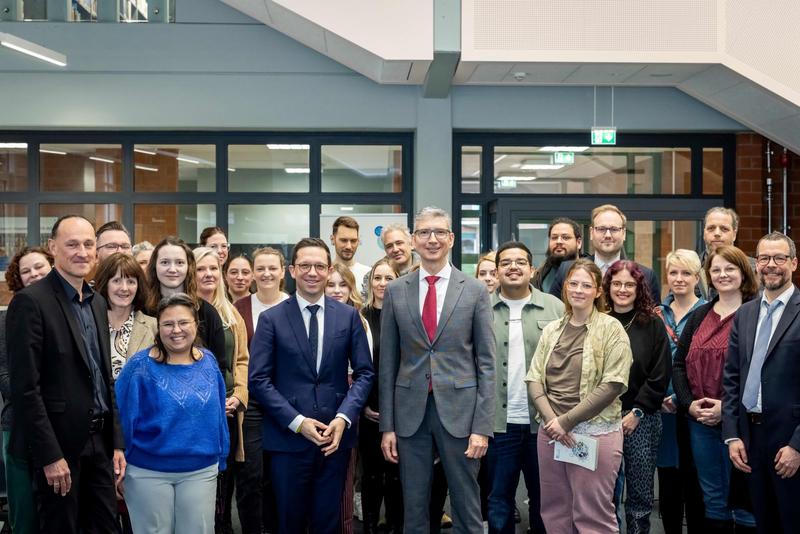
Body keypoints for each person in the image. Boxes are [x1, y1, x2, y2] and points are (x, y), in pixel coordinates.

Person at [379, 206, 495, 534]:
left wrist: (482, 427)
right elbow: (387, 364)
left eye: (440, 233)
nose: (432, 239)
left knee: (466, 505)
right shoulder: (396, 290)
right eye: (425, 233)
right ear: (414, 240)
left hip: (461, 414)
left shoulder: (474, 290)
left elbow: (486, 364)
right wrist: (387, 426)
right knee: (413, 506)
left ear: (452, 239)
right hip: (409, 414)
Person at [7, 215, 126, 534]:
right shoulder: (29, 303)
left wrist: (116, 443)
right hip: (59, 450)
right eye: (72, 244)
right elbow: (25, 389)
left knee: (105, 527)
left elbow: (104, 379)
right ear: (53, 247)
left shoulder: (98, 302)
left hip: (99, 446)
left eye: (89, 244)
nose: (82, 252)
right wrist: (49, 456)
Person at [249, 237, 374, 534]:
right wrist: (297, 422)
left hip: (335, 439)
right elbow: (258, 380)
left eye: (319, 266)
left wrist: (344, 418)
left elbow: (365, 373)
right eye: (305, 265)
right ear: (292, 270)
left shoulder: (348, 316)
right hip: (287, 440)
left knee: (328, 522)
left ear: (329, 269)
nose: (312, 272)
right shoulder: (271, 320)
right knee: (289, 522)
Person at [526, 259, 632, 533]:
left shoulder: (611, 329)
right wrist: (554, 422)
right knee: (554, 511)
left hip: (593, 434)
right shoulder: (551, 330)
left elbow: (613, 384)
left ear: (598, 291)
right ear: (565, 288)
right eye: (573, 283)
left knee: (592, 516)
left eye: (587, 285)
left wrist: (567, 422)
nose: (578, 290)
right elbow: (534, 378)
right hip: (551, 433)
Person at [116, 292, 230, 534]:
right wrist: (117, 464)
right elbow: (122, 417)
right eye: (168, 324)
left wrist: (222, 456)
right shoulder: (139, 367)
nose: (176, 330)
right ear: (159, 327)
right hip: (147, 471)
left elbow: (218, 415)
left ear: (196, 325)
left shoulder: (208, 362)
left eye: (183, 322)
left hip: (201, 470)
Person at [672, 245, 759, 532]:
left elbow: (760, 371)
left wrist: (728, 408)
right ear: (708, 275)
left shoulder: (757, 314)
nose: (723, 274)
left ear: (744, 273)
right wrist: (688, 404)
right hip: (700, 423)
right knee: (713, 500)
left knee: (747, 502)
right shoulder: (700, 316)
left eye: (730, 268)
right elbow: (679, 365)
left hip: (742, 424)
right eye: (716, 269)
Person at [723, 232, 800, 534]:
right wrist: (731, 435)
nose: (771, 265)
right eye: (764, 258)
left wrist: (797, 445)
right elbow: (731, 379)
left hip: (789, 443)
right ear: (756, 265)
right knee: (762, 523)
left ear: (793, 263)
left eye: (779, 258)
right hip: (750, 440)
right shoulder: (745, 313)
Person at [487, 241, 564, 534]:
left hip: (543, 424)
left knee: (545, 501)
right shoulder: (481, 308)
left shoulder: (555, 307)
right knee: (498, 501)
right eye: (506, 262)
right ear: (496, 271)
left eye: (520, 262)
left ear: (532, 269)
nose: (513, 267)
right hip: (497, 424)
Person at [605, 260, 671, 534]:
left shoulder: (653, 323)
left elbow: (660, 373)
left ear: (639, 287)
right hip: (600, 418)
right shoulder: (597, 320)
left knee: (641, 497)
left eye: (629, 284)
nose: (622, 289)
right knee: (603, 494)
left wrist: (637, 412)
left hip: (641, 420)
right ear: (607, 287)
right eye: (616, 283)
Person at [233, 246, 289, 534]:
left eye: (272, 268)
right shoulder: (238, 308)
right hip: (253, 404)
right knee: (251, 475)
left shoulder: (295, 305)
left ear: (283, 272)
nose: (266, 273)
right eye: (260, 268)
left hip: (289, 404)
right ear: (252, 273)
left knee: (283, 477)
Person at [194, 247, 250, 534]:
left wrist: (239, 396)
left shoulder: (232, 314)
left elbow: (241, 361)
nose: (208, 274)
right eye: (201, 268)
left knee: (225, 481)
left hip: (228, 408)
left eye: (214, 268)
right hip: (194, 410)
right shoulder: (182, 310)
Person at [1, 246, 53, 534]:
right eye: (26, 270)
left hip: (58, 425)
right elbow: (6, 376)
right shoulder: (6, 319)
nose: (34, 274)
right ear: (17, 279)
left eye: (39, 267)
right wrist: (40, 391)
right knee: (24, 512)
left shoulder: (67, 311)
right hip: (17, 425)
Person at [656, 249, 707, 534]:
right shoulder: (656, 314)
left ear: (697, 277)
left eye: (686, 273)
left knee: (695, 484)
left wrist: (681, 398)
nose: (679, 278)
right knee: (668, 484)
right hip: (661, 410)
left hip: (694, 409)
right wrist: (658, 398)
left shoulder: (709, 312)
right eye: (673, 272)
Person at [325, 263, 370, 534]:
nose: (336, 290)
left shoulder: (357, 319)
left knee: (345, 472)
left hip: (349, 398)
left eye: (343, 285)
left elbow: (364, 370)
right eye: (331, 284)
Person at [359, 258, 402, 533]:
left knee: (397, 475)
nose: (382, 284)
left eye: (389, 278)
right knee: (371, 477)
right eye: (377, 278)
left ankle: (397, 525)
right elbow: (355, 365)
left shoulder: (405, 316)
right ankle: (372, 526)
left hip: (400, 411)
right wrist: (362, 405)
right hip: (368, 409)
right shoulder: (359, 317)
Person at [144, 236, 226, 378]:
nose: (172, 269)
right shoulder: (142, 310)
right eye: (164, 262)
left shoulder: (206, 312)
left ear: (189, 266)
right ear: (154, 266)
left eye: (180, 262)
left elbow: (219, 368)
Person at [549, 204, 660, 305]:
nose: (607, 235)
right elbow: (553, 312)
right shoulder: (566, 270)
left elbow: (653, 320)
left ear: (624, 233)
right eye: (601, 229)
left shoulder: (646, 276)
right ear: (592, 233)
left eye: (614, 229)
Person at [94, 253, 157, 380]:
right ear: (105, 283)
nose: (124, 288)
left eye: (131, 282)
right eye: (116, 281)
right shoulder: (89, 323)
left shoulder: (154, 327)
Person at [700, 207, 757, 299]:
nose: (717, 233)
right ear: (704, 233)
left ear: (734, 234)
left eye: (724, 229)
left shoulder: (755, 269)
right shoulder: (691, 268)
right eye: (711, 228)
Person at [532, 217, 584, 294]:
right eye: (554, 238)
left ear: (578, 243)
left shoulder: (591, 271)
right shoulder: (539, 275)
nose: (558, 241)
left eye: (565, 237)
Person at [330, 216, 371, 293]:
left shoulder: (368, 274)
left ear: (358, 241)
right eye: (344, 240)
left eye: (353, 241)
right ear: (332, 239)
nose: (349, 246)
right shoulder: (324, 273)